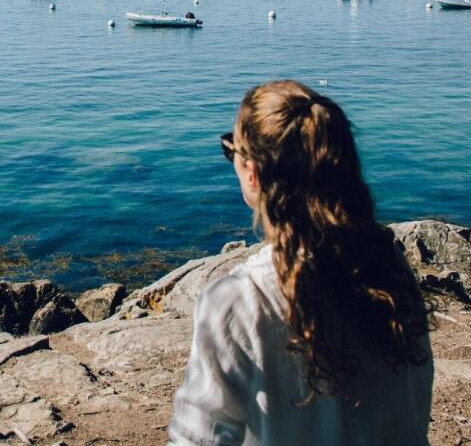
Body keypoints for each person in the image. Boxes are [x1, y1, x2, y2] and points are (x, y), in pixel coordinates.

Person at [168, 80, 433, 445]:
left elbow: (197, 439)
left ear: (252, 174)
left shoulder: (240, 302)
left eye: (232, 150)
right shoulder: (390, 269)